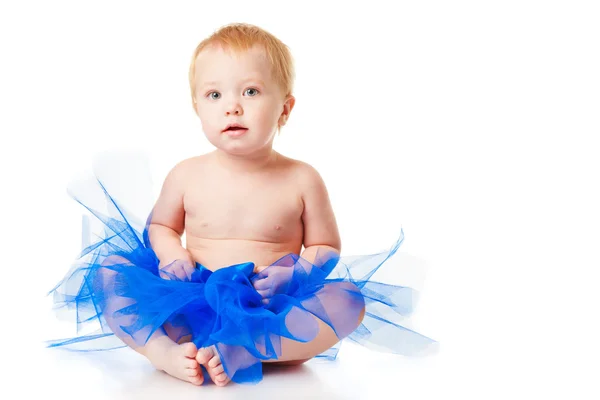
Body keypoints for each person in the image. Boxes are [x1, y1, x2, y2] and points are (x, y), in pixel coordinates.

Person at [47, 22, 436, 386]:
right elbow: (161, 227)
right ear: (198, 108)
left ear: (285, 108)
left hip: (269, 307)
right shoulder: (186, 174)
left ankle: (246, 348)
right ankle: (162, 351)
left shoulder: (302, 178)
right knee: (111, 271)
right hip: (190, 300)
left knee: (348, 300)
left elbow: (327, 246)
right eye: (214, 95)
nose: (232, 106)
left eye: (250, 91)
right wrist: (171, 255)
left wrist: (296, 272)